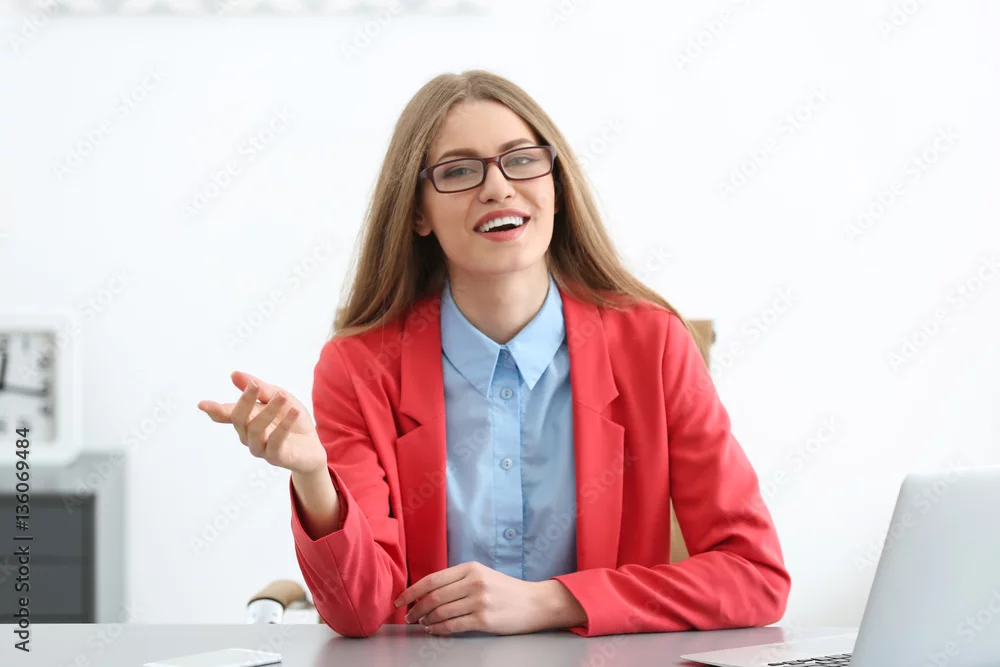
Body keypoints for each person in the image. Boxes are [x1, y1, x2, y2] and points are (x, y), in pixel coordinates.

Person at [197, 70, 791, 639]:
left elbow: (754, 576)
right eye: (459, 171)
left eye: (522, 159)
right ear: (418, 212)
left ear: (556, 185)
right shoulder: (357, 368)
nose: (498, 187)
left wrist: (551, 601)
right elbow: (360, 612)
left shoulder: (653, 344)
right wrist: (313, 476)